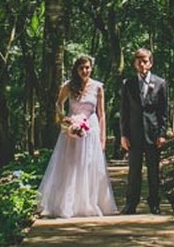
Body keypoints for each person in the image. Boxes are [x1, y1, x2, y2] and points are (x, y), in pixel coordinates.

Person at [36, 55, 118, 218]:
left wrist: (102, 138)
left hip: (91, 129)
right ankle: (68, 204)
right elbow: (58, 104)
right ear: (77, 69)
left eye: (87, 67)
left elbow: (101, 114)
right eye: (81, 68)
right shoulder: (68, 86)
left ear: (91, 68)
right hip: (72, 131)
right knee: (70, 166)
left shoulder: (98, 87)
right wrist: (65, 120)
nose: (84, 71)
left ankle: (88, 203)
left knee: (90, 166)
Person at [120, 47, 169, 215]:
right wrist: (124, 135)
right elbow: (124, 111)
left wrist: (162, 134)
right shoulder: (128, 83)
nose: (142, 64)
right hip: (134, 134)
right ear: (135, 63)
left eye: (145, 61)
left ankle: (154, 203)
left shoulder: (160, 83)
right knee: (134, 171)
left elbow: (163, 111)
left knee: (153, 171)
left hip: (153, 133)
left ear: (151, 63)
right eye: (139, 61)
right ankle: (131, 204)